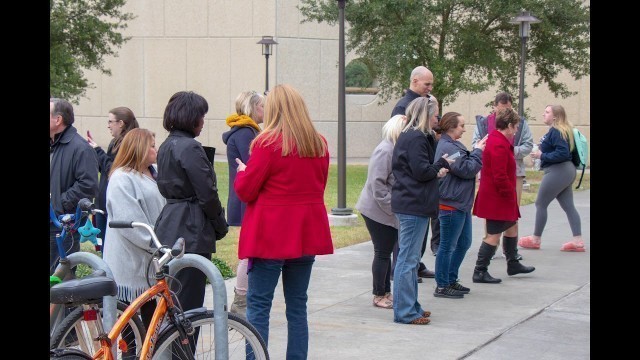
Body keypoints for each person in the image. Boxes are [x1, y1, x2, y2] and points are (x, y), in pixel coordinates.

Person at [234, 84, 333, 358]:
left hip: (270, 235)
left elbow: (246, 190)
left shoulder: (267, 144)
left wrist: (242, 172)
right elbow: (319, 185)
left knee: (258, 307)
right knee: (297, 307)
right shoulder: (319, 143)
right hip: (306, 233)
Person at [154, 91, 228, 317]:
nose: (203, 122)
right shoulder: (190, 147)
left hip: (169, 222)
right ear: (191, 117)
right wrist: (219, 224)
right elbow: (207, 193)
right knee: (189, 305)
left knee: (175, 299)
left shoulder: (166, 145)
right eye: (201, 116)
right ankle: (182, 351)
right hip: (191, 227)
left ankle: (174, 349)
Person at [391, 96, 452, 325]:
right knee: (407, 260)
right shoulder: (416, 137)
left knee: (411, 259)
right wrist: (441, 165)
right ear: (426, 115)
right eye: (436, 114)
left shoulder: (415, 136)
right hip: (412, 204)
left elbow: (419, 170)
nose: (438, 118)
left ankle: (411, 306)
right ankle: (405, 311)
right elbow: (421, 171)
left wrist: (435, 169)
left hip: (413, 203)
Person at [103, 128, 165, 329]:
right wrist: (156, 243)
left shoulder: (154, 173)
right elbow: (128, 221)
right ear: (139, 149)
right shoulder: (122, 178)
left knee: (150, 326)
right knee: (129, 328)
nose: (156, 150)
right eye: (152, 146)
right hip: (128, 261)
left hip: (150, 260)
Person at [471, 108, 535, 284]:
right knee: (493, 235)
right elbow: (499, 176)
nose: (516, 131)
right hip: (497, 198)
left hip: (501, 196)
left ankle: (512, 262)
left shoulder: (499, 140)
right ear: (508, 126)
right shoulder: (498, 143)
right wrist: (509, 194)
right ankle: (480, 271)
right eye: (515, 127)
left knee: (512, 226)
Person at [390, 66, 438, 281]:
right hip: (411, 186)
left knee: (417, 235)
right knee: (407, 239)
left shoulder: (425, 103)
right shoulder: (403, 107)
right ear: (415, 81)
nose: (429, 88)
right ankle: (405, 271)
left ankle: (414, 265)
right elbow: (399, 144)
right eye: (427, 84)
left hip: (419, 187)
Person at [355, 114, 406, 309]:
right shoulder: (385, 150)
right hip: (377, 210)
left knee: (386, 251)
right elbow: (377, 184)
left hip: (387, 209)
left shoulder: (395, 149)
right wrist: (391, 209)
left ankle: (386, 291)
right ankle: (379, 294)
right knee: (383, 252)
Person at [518, 105, 586, 252]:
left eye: (547, 112)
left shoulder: (556, 131)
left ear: (555, 116)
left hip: (558, 170)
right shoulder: (564, 130)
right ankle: (578, 241)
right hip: (567, 170)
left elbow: (562, 153)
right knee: (569, 206)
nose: (544, 114)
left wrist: (542, 155)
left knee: (540, 204)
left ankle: (536, 239)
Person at [433, 112, 486, 298]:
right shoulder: (448, 146)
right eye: (461, 125)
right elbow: (467, 169)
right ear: (451, 127)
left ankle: (450, 279)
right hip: (450, 204)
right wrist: (478, 151)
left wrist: (475, 152)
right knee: (447, 246)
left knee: (463, 243)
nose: (464, 129)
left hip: (460, 203)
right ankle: (442, 285)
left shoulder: (453, 144)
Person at [222, 90, 265, 317]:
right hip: (246, 200)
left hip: (242, 199)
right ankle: (241, 301)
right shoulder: (246, 133)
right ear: (252, 108)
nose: (265, 110)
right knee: (248, 252)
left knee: (250, 251)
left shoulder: (245, 131)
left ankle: (244, 299)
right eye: (261, 106)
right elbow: (254, 168)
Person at [50, 98, 99, 275]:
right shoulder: (54, 145)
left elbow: (89, 186)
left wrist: (58, 203)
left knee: (61, 282)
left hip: (62, 227)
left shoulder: (81, 148)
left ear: (58, 120)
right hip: (54, 222)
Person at [86, 106, 140, 250]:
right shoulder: (114, 142)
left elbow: (115, 171)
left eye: (110, 121)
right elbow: (105, 170)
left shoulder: (128, 144)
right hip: (103, 203)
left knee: (110, 249)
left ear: (121, 123)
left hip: (113, 206)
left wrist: (97, 150)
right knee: (103, 246)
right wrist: (93, 152)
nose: (108, 125)